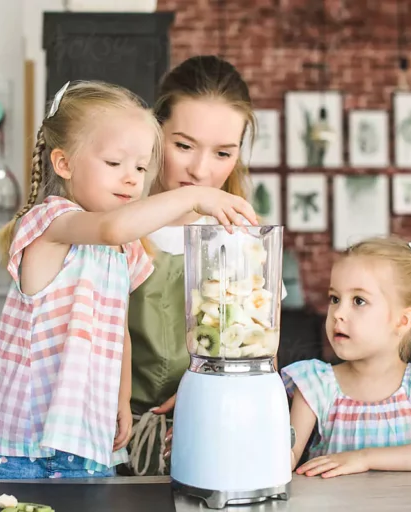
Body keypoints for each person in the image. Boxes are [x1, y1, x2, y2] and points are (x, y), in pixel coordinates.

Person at [0, 80, 257, 481]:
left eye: (141, 168)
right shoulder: (51, 222)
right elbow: (111, 227)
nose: (132, 179)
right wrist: (195, 197)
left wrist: (121, 399)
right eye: (114, 164)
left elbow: (118, 332)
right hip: (16, 439)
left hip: (84, 435)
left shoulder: (123, 250)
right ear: (64, 163)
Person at [125, 55, 267, 476]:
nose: (201, 170)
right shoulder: (112, 224)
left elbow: (257, 356)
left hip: (209, 441)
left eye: (223, 153)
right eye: (183, 145)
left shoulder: (241, 243)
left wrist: (206, 391)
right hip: (104, 440)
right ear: (154, 132)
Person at [282, 236, 411, 479]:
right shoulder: (314, 383)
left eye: (359, 301)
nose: (338, 314)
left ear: (402, 321)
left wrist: (365, 458)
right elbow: (284, 459)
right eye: (335, 299)